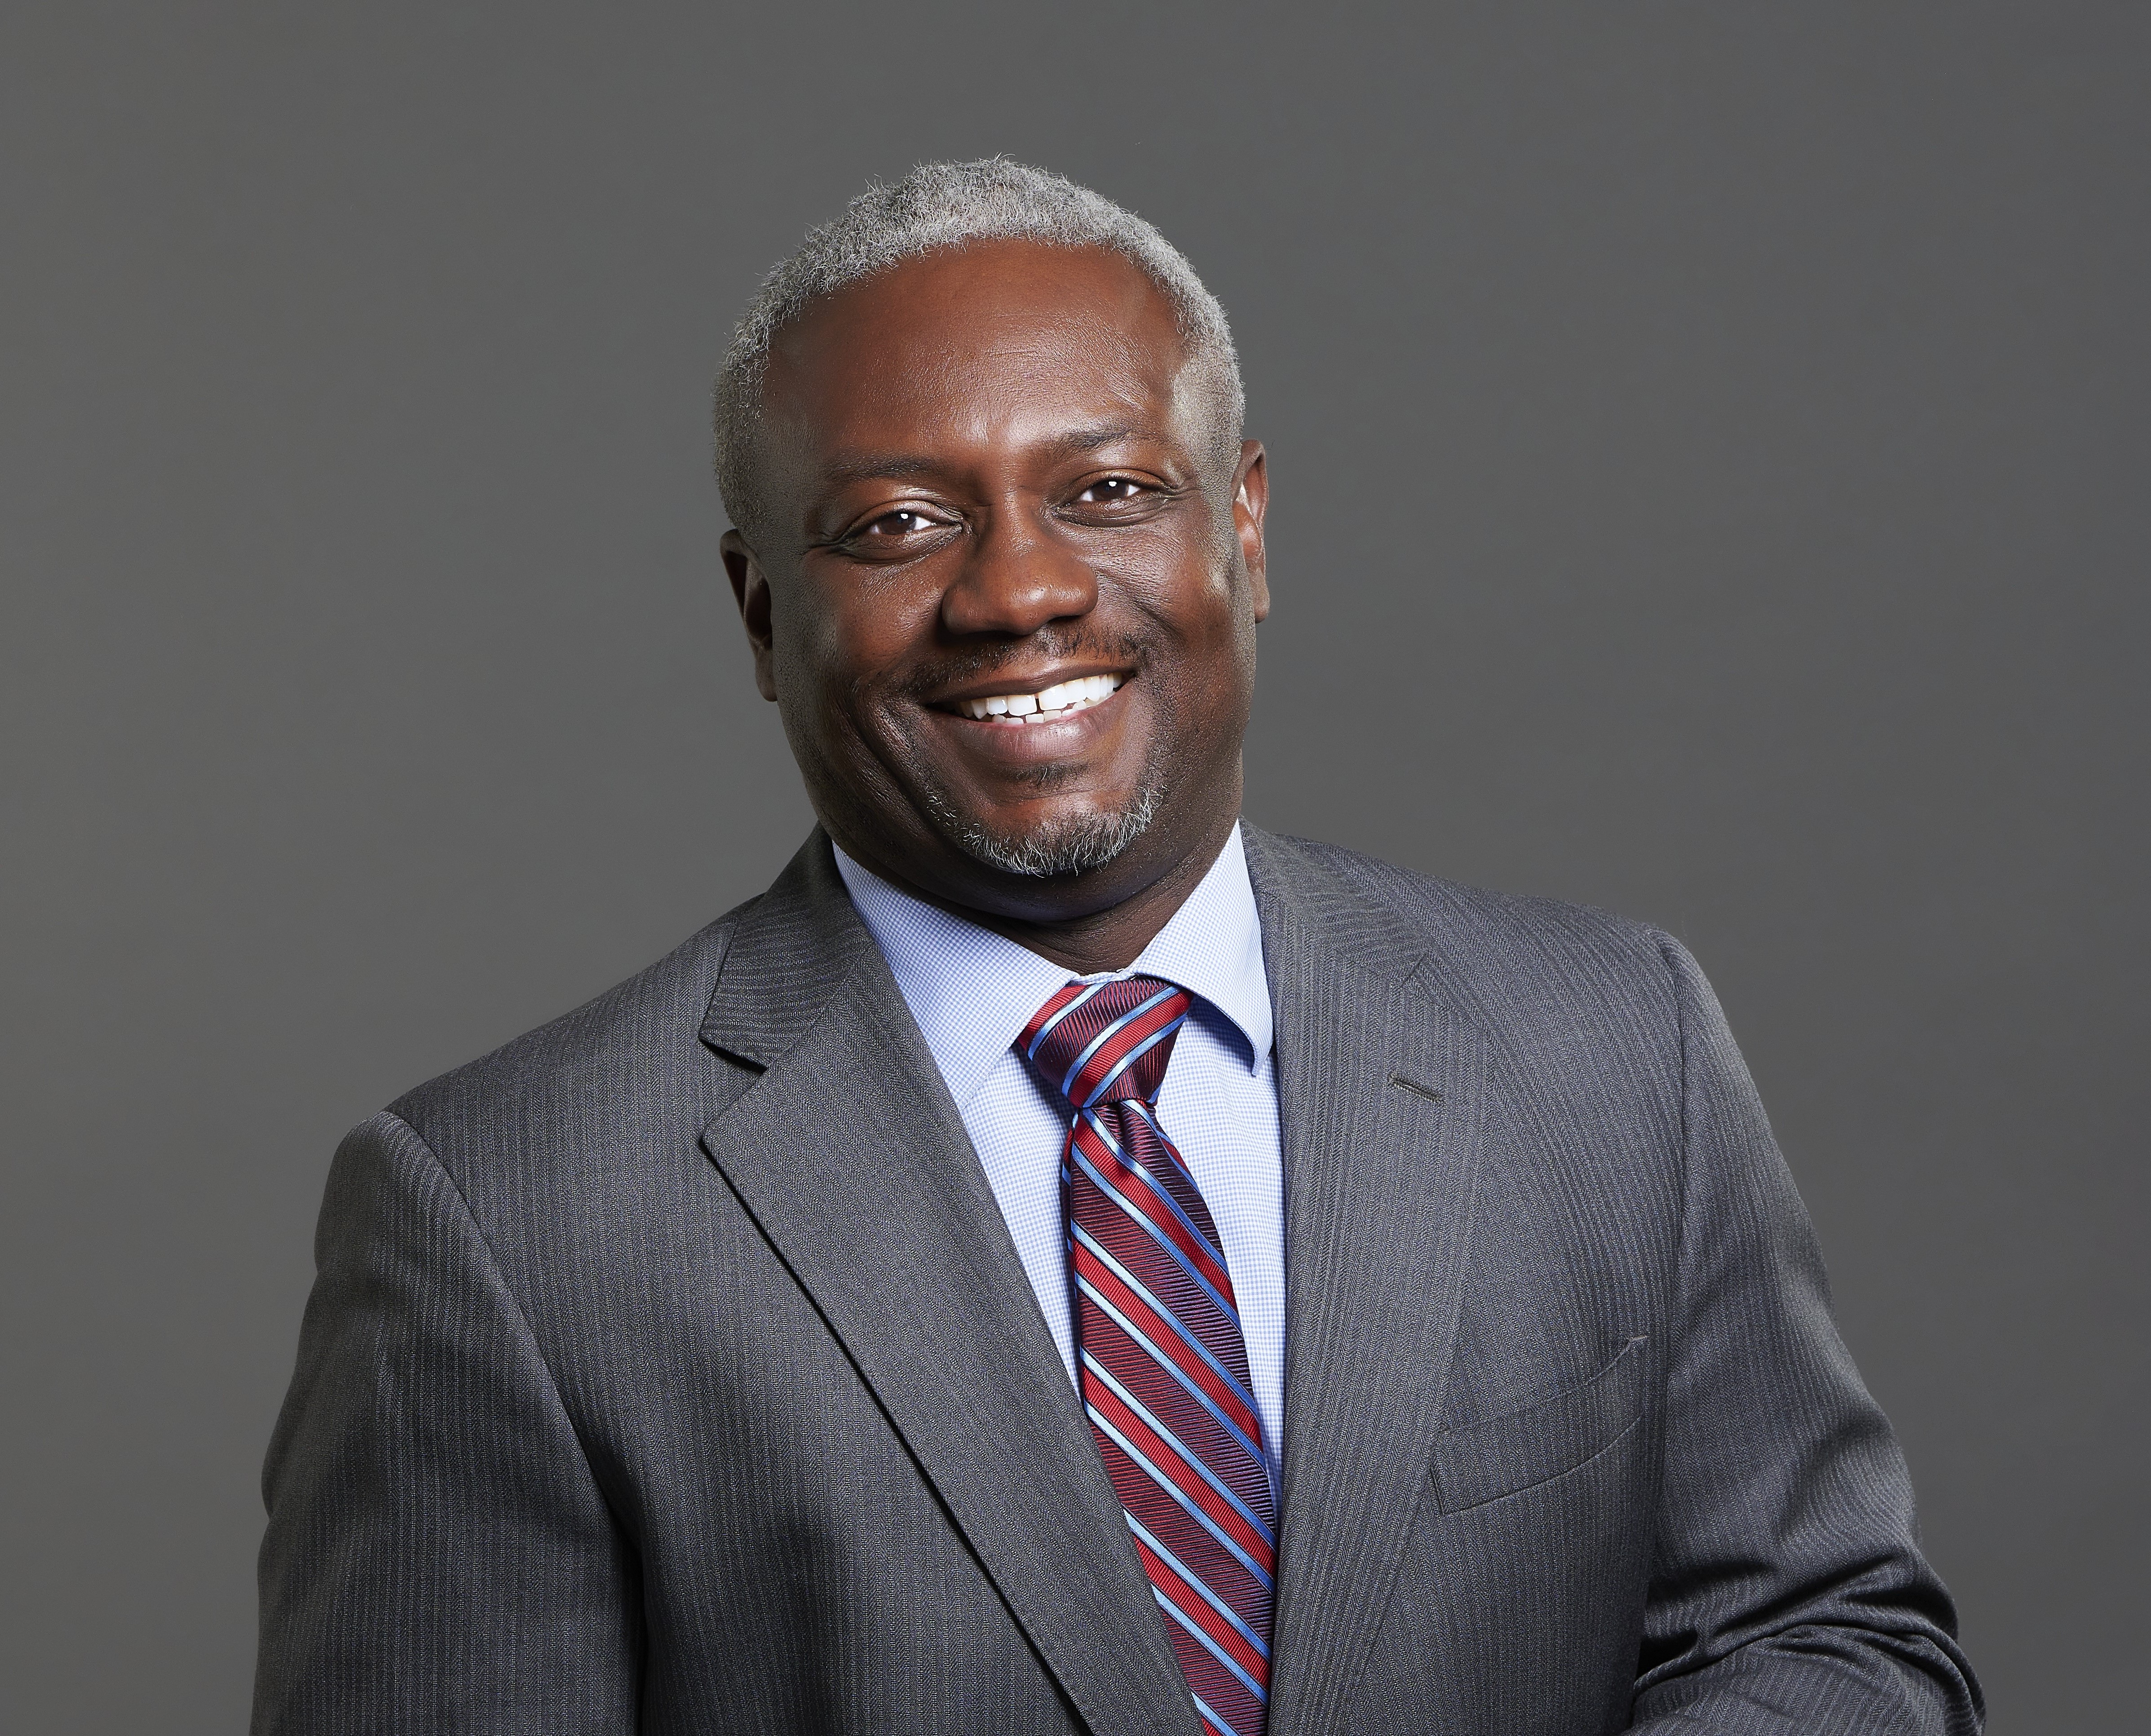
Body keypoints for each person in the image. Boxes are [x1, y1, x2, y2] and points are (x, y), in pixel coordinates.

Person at [253, 159, 1981, 1736]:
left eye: (1107, 488)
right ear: (763, 614)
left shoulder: (1610, 1048)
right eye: (897, 525)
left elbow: (1825, 1638)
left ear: (1242, 524)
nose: (1020, 591)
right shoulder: (507, 1217)